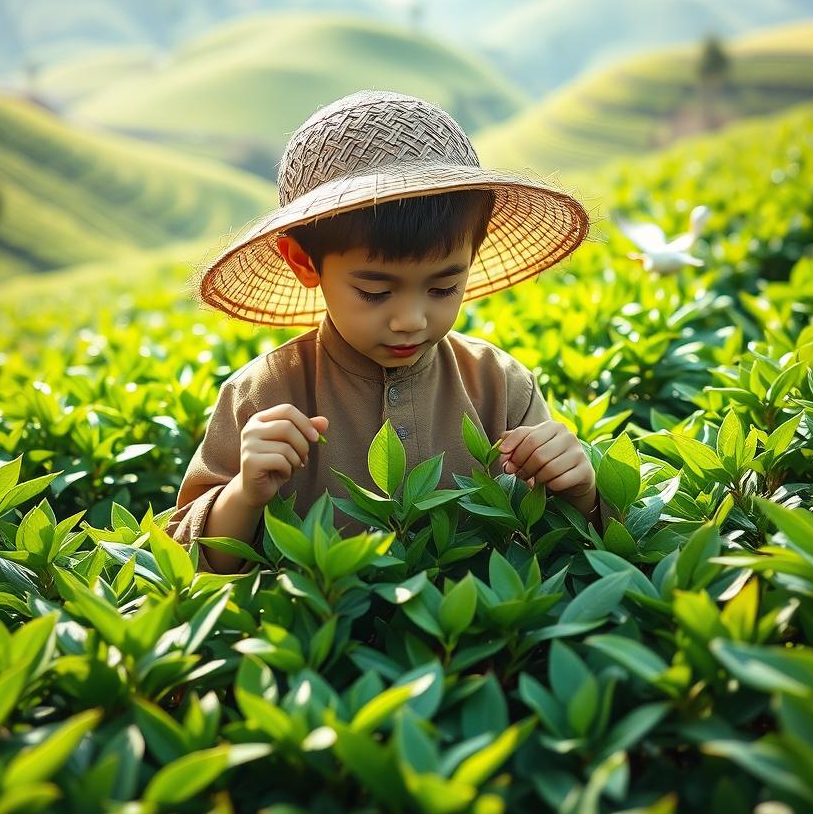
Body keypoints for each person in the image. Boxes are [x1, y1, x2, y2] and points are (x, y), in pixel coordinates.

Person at [168, 89, 606, 574]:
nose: (411, 320)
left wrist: (579, 488)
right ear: (303, 262)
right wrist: (245, 494)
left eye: (443, 288)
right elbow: (187, 562)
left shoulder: (499, 386)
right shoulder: (262, 396)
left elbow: (563, 545)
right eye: (375, 292)